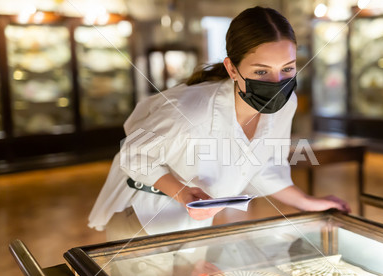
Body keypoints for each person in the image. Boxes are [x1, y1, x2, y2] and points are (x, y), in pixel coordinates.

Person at [88, 6, 350, 242]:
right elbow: (134, 155)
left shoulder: (285, 103)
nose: (277, 82)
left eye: (288, 69)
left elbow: (263, 167)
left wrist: (307, 202)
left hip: (199, 226)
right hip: (144, 222)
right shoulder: (189, 109)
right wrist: (181, 192)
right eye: (261, 71)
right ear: (232, 69)